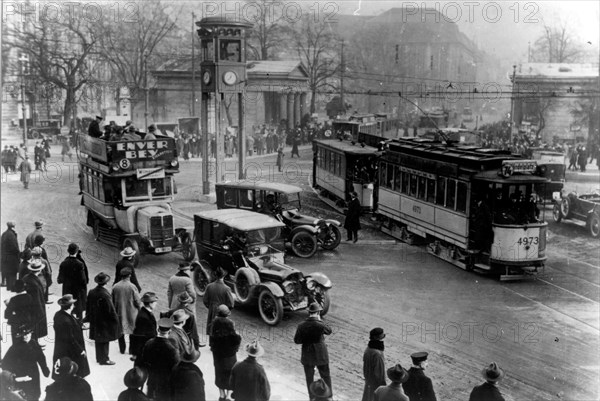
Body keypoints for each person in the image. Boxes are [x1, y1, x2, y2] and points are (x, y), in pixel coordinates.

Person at [294, 302, 333, 398]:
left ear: (309, 312)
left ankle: (312, 397)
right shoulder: (320, 325)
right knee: (326, 376)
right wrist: (320, 321)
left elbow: (297, 340)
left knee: (309, 378)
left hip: (307, 355)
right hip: (321, 354)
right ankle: (329, 396)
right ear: (318, 313)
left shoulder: (301, 325)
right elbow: (329, 331)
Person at [136, 317, 180, 400]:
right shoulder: (172, 348)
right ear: (169, 331)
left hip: (151, 380)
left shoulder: (149, 343)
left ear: (158, 330)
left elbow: (144, 360)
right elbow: (176, 366)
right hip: (165, 383)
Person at [2, 327, 50, 401]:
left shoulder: (35, 345)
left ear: (31, 333)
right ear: (20, 335)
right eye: (23, 334)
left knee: (35, 394)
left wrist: (45, 369)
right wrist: (13, 374)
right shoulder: (15, 347)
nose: (25, 336)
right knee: (23, 395)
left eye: (27, 333)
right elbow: (5, 362)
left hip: (33, 374)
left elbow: (41, 358)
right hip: (21, 375)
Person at [84, 272, 121, 365]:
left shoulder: (92, 291)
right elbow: (110, 309)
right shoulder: (105, 294)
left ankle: (99, 358)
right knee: (105, 340)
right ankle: (105, 359)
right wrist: (116, 319)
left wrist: (88, 317)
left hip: (95, 320)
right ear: (106, 283)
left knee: (98, 339)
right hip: (104, 321)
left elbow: (87, 305)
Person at [52, 294, 90, 379]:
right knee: (73, 368)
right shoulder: (66, 321)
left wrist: (80, 325)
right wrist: (80, 350)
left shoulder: (59, 315)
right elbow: (71, 338)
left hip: (61, 347)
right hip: (71, 349)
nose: (74, 305)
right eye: (72, 304)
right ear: (70, 306)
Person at [209, 305, 242, 401]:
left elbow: (211, 341)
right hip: (229, 356)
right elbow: (235, 339)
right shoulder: (230, 323)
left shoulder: (214, 323)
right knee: (229, 375)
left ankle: (221, 395)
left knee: (219, 374)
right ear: (227, 314)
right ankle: (228, 396)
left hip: (218, 356)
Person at [113, 267, 141, 355]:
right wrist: (139, 309)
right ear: (129, 275)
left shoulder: (115, 286)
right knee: (132, 331)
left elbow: (112, 300)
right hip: (131, 312)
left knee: (120, 331)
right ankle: (131, 350)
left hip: (120, 312)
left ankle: (122, 349)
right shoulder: (132, 286)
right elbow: (138, 301)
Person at [57, 243, 88, 320]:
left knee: (66, 305)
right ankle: (79, 322)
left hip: (67, 289)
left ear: (68, 251)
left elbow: (60, 280)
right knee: (78, 306)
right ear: (77, 252)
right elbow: (83, 280)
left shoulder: (63, 263)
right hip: (77, 290)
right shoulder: (80, 264)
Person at [22, 259, 48, 342]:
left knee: (30, 328)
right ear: (39, 270)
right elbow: (37, 300)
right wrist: (41, 313)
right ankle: (34, 343)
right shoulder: (35, 284)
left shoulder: (26, 278)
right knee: (35, 328)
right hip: (35, 310)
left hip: (27, 308)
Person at [203, 266, 234, 335]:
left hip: (211, 311)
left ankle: (211, 344)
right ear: (223, 277)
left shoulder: (209, 286)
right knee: (220, 331)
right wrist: (225, 310)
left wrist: (211, 307)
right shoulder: (227, 288)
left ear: (216, 275)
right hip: (222, 313)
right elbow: (231, 304)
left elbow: (205, 300)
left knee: (211, 329)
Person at [130, 292, 158, 360]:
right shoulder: (143, 317)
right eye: (155, 302)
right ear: (150, 303)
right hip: (144, 349)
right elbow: (138, 336)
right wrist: (135, 353)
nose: (156, 304)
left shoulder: (146, 312)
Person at [362, 327, 387, 401]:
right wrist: (383, 387)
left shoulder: (368, 349)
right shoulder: (378, 354)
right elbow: (380, 374)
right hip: (375, 384)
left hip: (368, 381)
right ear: (376, 337)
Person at [1, 221, 20, 291]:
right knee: (12, 273)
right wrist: (19, 255)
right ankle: (12, 287)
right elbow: (15, 248)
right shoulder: (12, 235)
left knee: (7, 273)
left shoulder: (4, 234)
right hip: (12, 258)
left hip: (5, 257)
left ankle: (7, 286)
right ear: (13, 227)